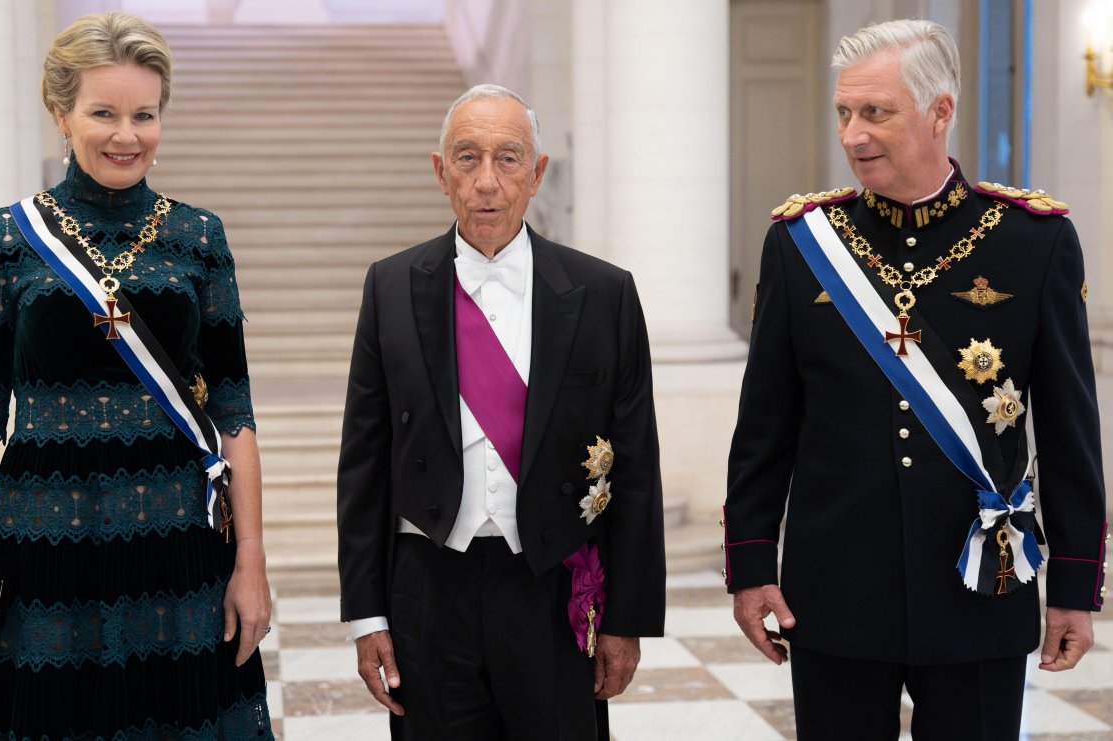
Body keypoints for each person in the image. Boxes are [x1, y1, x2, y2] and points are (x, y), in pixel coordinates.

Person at [725, 19, 1107, 740]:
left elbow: (1068, 431)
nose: (853, 134)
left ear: (940, 111)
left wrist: (1074, 586)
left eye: (876, 112)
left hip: (979, 588)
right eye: (845, 112)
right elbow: (765, 426)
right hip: (833, 589)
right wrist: (750, 563)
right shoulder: (802, 244)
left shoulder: (1034, 242)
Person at [0, 13, 273, 739]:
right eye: (104, 113)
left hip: (177, 545)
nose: (127, 135)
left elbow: (234, 412)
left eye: (144, 114)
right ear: (61, 114)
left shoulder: (199, 237)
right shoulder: (6, 237)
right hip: (47, 545)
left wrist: (251, 563)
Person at [336, 83, 666, 740]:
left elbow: (637, 468)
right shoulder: (391, 287)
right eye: (467, 158)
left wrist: (627, 618)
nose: (487, 181)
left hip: (551, 586)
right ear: (440, 171)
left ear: (538, 173)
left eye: (508, 158)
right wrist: (367, 615)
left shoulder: (605, 294)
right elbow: (363, 462)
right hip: (429, 585)